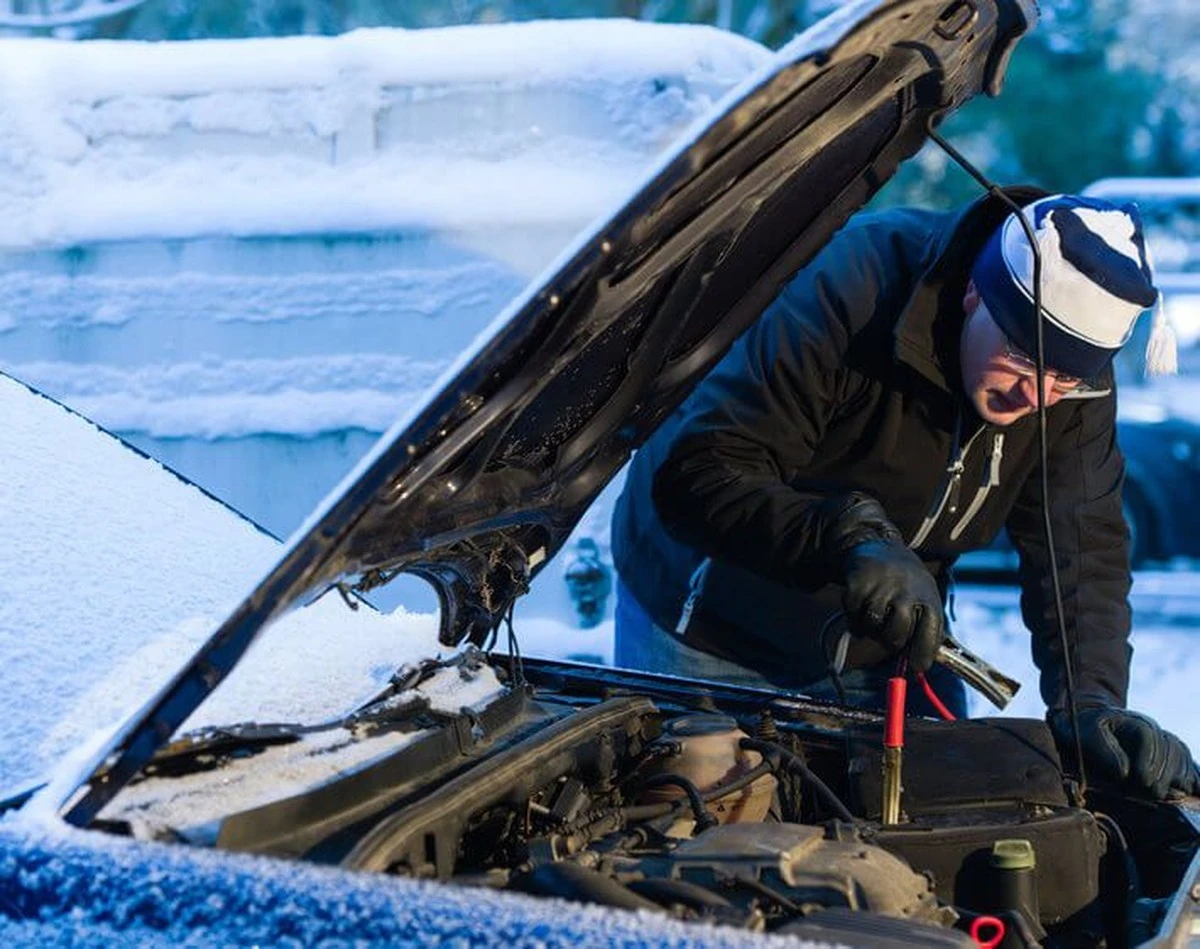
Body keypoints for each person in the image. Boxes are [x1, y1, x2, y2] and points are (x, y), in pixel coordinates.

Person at [611, 188, 1198, 801]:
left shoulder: (1070, 385)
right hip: (711, 622)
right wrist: (849, 539)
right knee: (696, 839)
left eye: (1068, 378)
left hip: (889, 637)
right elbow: (702, 473)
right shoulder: (855, 284)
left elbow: (1082, 550)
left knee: (937, 833)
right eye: (1022, 358)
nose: (1038, 394)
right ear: (976, 292)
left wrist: (1091, 699)